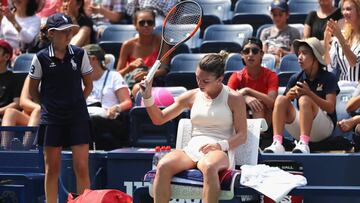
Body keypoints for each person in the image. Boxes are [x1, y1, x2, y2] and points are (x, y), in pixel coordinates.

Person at [140, 51, 247, 203]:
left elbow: (242, 135)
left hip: (220, 150)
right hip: (192, 149)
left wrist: (219, 145)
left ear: (220, 79)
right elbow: (159, 119)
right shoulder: (191, 96)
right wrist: (147, 97)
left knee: (209, 167)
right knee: (163, 165)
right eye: (197, 78)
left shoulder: (234, 98)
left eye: (205, 81)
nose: (200, 83)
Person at [28, 13, 93, 203]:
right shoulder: (40, 58)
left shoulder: (80, 54)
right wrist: (48, 107)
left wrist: (76, 104)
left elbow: (88, 85)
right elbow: (33, 90)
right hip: (52, 119)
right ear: (51, 34)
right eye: (64, 32)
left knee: (81, 167)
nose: (68, 35)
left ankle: (84, 201)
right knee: (52, 168)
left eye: (70, 31)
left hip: (78, 117)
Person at [264, 37, 340, 154]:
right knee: (280, 99)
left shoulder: (329, 77)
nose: (299, 57)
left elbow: (330, 108)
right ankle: (277, 143)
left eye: (304, 53)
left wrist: (309, 94)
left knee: (305, 99)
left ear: (315, 57)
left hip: (325, 128)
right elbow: (280, 107)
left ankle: (304, 143)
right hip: (302, 126)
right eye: (298, 53)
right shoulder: (295, 78)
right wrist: (289, 96)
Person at [84, 44, 132, 150]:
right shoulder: (79, 79)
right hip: (86, 115)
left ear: (93, 59)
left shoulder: (113, 76)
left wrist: (116, 108)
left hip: (110, 118)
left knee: (91, 120)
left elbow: (127, 102)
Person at [116, 8, 169, 97]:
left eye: (150, 22)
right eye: (141, 23)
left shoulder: (162, 42)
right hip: (130, 84)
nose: (146, 25)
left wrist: (148, 74)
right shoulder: (127, 45)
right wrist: (129, 67)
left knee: (138, 88)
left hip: (154, 82)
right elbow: (118, 75)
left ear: (154, 24)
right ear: (135, 25)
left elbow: (164, 69)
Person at [227, 37, 278, 127]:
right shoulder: (236, 76)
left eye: (254, 51)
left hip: (267, 121)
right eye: (246, 51)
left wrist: (248, 90)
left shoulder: (271, 75)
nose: (250, 54)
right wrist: (245, 98)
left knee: (258, 105)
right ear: (242, 55)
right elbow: (226, 98)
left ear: (261, 54)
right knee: (240, 104)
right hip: (243, 116)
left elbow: (272, 102)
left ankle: (257, 137)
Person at [324, 0, 360, 84]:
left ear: (358, 11)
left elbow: (354, 63)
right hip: (342, 88)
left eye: (348, 9)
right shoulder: (341, 35)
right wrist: (326, 43)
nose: (344, 13)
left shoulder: (340, 36)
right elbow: (329, 66)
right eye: (343, 9)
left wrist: (340, 37)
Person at [1, 76, 40, 150]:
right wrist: (39, 107)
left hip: (48, 119)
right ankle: (5, 148)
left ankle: (26, 148)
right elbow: (23, 101)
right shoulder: (32, 76)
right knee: (10, 112)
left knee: (37, 112)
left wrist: (41, 109)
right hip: (30, 118)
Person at [260, 0, 300, 66]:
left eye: (280, 15)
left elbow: (294, 56)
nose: (277, 18)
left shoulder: (293, 32)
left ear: (287, 15)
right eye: (274, 15)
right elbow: (263, 54)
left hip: (286, 63)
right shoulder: (265, 32)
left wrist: (283, 52)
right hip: (268, 63)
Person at [0, 39, 21, 122]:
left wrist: (1, 110)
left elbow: (17, 103)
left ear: (6, 57)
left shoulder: (14, 78)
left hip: (5, 117)